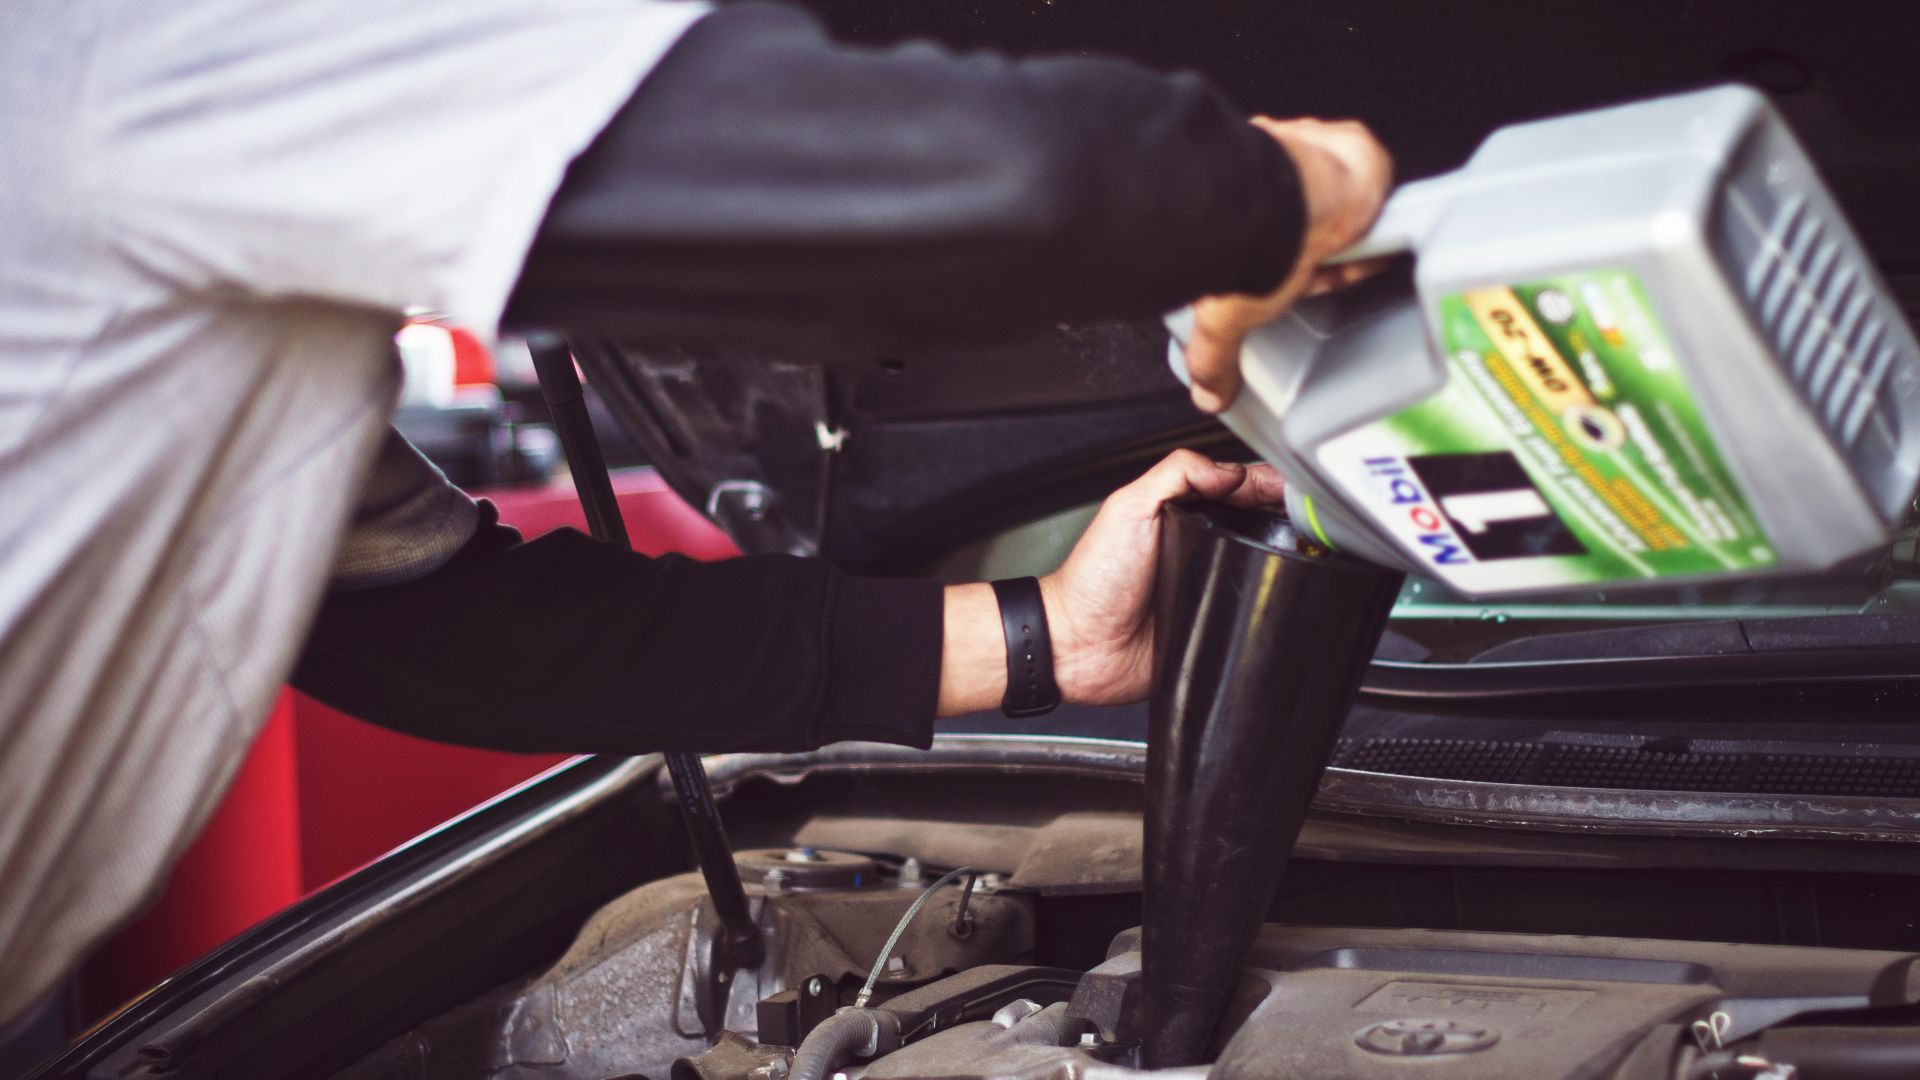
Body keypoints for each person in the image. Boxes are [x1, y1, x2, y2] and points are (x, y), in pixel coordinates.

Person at [0, 0, 1390, 1031]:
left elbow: (436, 627)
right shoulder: (143, 48)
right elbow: (959, 178)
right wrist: (1292, 191)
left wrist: (1043, 644)